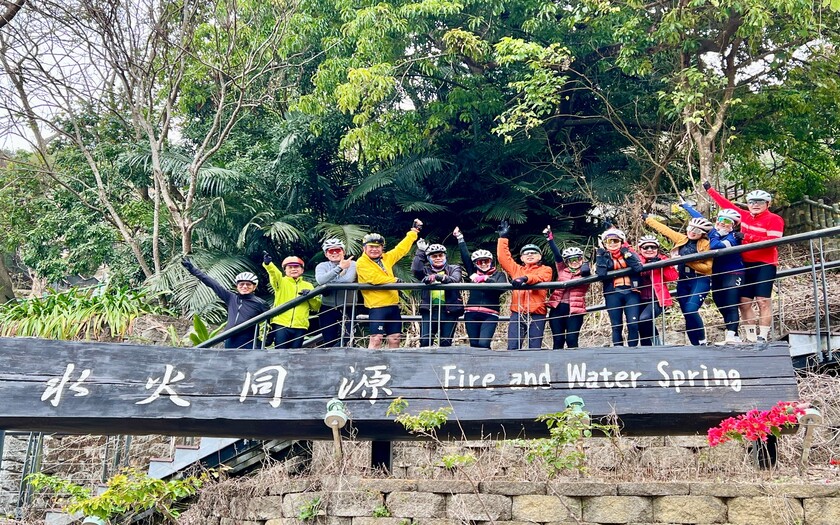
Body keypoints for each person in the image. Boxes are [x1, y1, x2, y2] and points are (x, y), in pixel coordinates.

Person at [704, 182, 785, 342]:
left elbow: (773, 241)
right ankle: (751, 337)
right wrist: (710, 190)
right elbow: (725, 204)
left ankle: (762, 336)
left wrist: (747, 237)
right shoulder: (745, 216)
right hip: (744, 264)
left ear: (767, 204)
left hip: (765, 263)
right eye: (752, 202)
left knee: (763, 301)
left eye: (760, 202)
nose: (755, 205)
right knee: (744, 302)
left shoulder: (775, 219)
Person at [681, 200, 746, 344]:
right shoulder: (715, 232)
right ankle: (733, 334)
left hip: (733, 273)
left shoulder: (733, 237)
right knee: (719, 301)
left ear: (734, 225)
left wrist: (712, 233)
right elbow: (702, 220)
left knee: (730, 303)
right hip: (717, 274)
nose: (721, 222)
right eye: (719, 219)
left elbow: (717, 247)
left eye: (726, 221)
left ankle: (731, 335)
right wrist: (687, 207)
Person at [643, 214, 714, 345]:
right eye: (690, 228)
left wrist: (686, 260)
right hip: (683, 280)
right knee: (686, 314)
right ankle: (695, 344)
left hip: (699, 279)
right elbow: (665, 230)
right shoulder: (682, 239)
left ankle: (702, 340)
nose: (692, 232)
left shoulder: (706, 244)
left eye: (697, 231)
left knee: (691, 309)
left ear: (703, 233)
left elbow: (708, 268)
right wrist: (648, 219)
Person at [356, 220, 422, 348]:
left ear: (382, 248)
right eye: (371, 247)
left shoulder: (385, 258)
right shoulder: (361, 262)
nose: (375, 250)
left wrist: (413, 233)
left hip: (392, 305)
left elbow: (400, 250)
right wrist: (394, 280)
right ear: (364, 248)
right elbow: (373, 278)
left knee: (395, 338)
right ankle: (370, 365)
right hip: (377, 306)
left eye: (378, 247)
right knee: (376, 339)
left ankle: (393, 366)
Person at [181, 258, 269, 349]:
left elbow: (270, 321)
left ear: (254, 287)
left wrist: (268, 340)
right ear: (237, 286)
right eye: (241, 284)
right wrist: (193, 269)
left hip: (249, 342)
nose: (245, 286)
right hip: (229, 339)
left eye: (248, 284)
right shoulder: (231, 298)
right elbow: (213, 284)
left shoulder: (260, 303)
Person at [496, 220, 553, 350]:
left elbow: (540, 278)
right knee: (513, 346)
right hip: (518, 312)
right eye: (526, 253)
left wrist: (525, 278)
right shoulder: (517, 269)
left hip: (537, 313)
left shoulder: (546, 269)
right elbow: (503, 258)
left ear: (540, 256)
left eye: (533, 253)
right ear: (521, 258)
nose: (530, 255)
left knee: (534, 347)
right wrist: (503, 238)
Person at [454, 226, 508, 348]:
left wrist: (486, 279)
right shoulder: (472, 273)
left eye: (486, 261)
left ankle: (486, 366)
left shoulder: (499, 275)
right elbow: (465, 258)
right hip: (471, 313)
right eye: (480, 262)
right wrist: (460, 238)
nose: (483, 264)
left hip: (490, 313)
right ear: (476, 264)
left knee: (483, 343)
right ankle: (475, 367)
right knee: (474, 344)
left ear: (491, 261)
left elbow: (502, 288)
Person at [595, 228, 644, 347]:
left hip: (632, 291)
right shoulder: (603, 255)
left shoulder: (628, 252)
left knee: (633, 324)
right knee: (616, 326)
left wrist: (626, 253)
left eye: (615, 241)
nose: (612, 244)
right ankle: (619, 352)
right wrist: (600, 255)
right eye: (609, 241)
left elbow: (638, 268)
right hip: (613, 293)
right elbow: (601, 274)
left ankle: (632, 351)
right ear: (604, 243)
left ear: (621, 242)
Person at [544, 225, 591, 349]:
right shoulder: (562, 270)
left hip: (574, 309)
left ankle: (575, 365)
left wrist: (585, 264)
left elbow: (587, 273)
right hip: (557, 307)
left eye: (577, 259)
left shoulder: (585, 272)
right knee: (558, 340)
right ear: (567, 262)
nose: (574, 262)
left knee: (571, 339)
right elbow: (557, 256)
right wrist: (550, 239)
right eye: (571, 260)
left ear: (581, 259)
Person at [263, 254, 322, 348]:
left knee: (295, 353)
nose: (293, 269)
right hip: (281, 323)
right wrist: (268, 264)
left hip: (300, 325)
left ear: (302, 270)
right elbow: (274, 274)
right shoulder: (281, 282)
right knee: (280, 351)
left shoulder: (308, 285)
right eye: (290, 267)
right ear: (285, 270)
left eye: (296, 267)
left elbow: (316, 306)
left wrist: (310, 296)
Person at [411, 241, 464, 347]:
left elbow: (455, 279)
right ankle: (425, 363)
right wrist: (421, 251)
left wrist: (438, 277)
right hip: (430, 310)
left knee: (445, 342)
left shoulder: (454, 268)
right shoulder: (426, 270)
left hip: (449, 310)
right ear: (429, 258)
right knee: (425, 341)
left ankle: (444, 364)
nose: (438, 258)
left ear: (445, 256)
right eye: (434, 256)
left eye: (440, 255)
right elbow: (416, 270)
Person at [635, 234, 678, 346]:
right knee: (640, 323)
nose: (649, 249)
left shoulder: (663, 260)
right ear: (640, 249)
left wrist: (660, 265)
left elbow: (673, 277)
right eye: (646, 247)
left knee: (644, 319)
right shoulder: (635, 260)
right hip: (638, 298)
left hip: (658, 299)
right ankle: (647, 349)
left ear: (657, 249)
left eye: (653, 247)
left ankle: (658, 344)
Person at [315, 238, 357, 347]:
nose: (334, 253)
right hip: (327, 307)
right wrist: (340, 268)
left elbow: (348, 280)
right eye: (330, 251)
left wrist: (329, 281)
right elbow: (321, 280)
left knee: (348, 339)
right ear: (326, 254)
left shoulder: (352, 264)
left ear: (343, 252)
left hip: (348, 307)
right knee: (329, 340)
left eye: (337, 250)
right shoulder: (322, 266)